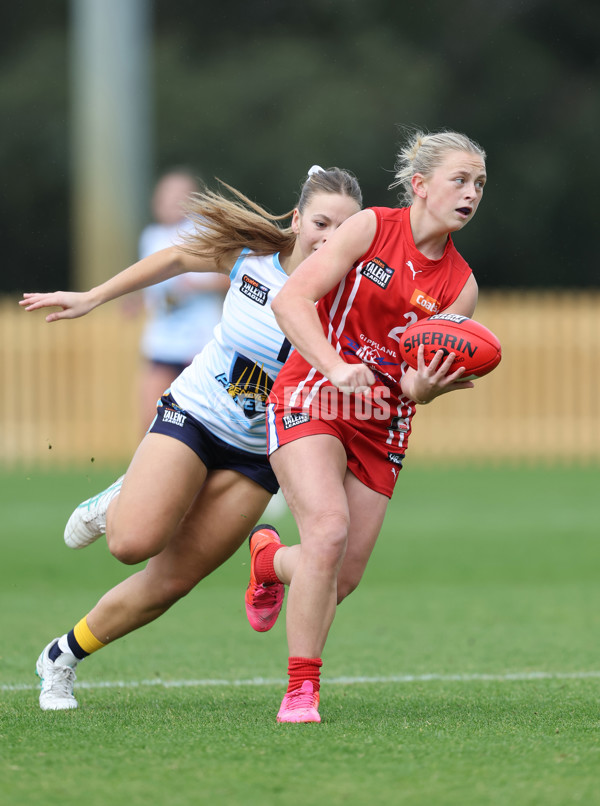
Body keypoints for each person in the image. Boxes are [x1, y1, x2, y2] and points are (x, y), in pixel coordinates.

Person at [19, 166, 363, 711]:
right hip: (195, 417)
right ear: (297, 220)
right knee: (130, 544)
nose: (328, 237)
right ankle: (120, 497)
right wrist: (94, 296)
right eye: (320, 222)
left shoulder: (353, 303)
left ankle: (59, 658)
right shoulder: (254, 261)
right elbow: (179, 258)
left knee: (170, 584)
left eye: (343, 230)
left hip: (259, 456)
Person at [243, 129, 487, 723]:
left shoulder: (461, 286)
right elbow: (291, 301)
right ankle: (302, 689)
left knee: (339, 577)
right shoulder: (371, 227)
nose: (472, 193)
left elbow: (410, 384)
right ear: (421, 186)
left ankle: (269, 561)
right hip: (311, 393)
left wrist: (424, 390)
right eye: (460, 180)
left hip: (382, 425)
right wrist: (333, 365)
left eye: (480, 184)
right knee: (326, 533)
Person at [135, 169, 229, 433]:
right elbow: (149, 283)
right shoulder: (150, 236)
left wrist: (198, 285)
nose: (171, 201)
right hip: (162, 339)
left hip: (200, 340)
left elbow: (233, 277)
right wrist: (137, 301)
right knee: (149, 417)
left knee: (201, 418)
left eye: (179, 195)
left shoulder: (205, 231)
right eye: (166, 194)